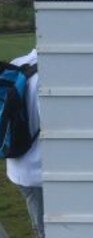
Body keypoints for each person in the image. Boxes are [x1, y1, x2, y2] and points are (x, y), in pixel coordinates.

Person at [6, 49, 44, 238]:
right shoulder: (51, 75)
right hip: (41, 169)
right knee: (49, 227)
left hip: (18, 165)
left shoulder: (17, 62)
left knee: (40, 223)